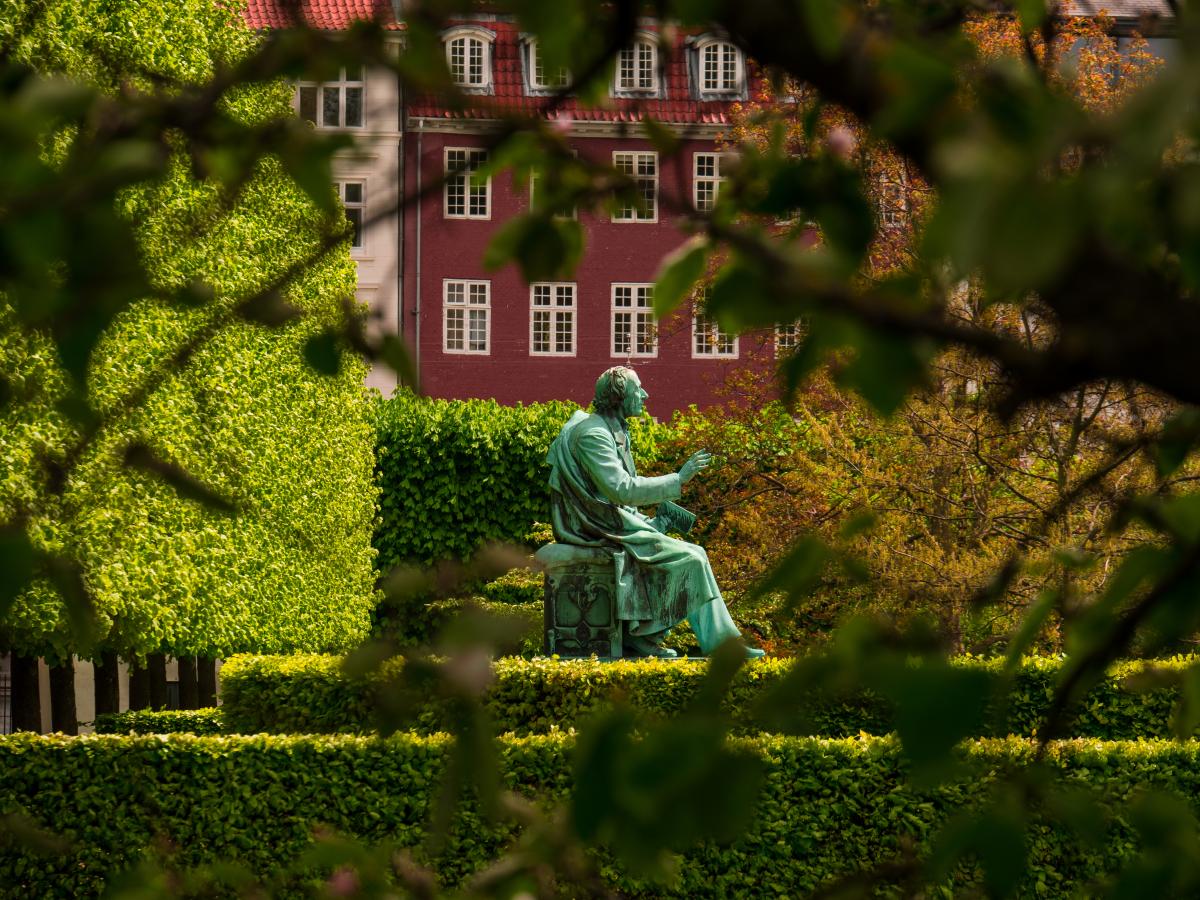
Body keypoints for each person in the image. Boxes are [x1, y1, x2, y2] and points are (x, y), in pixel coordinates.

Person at [545, 366, 765, 659]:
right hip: (592, 529)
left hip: (608, 521)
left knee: (696, 553)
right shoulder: (593, 435)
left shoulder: (613, 430)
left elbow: (613, 499)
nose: (645, 395)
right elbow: (621, 490)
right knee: (691, 559)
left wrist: (648, 522)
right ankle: (657, 637)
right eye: (638, 389)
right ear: (619, 396)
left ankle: (653, 637)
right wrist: (678, 479)